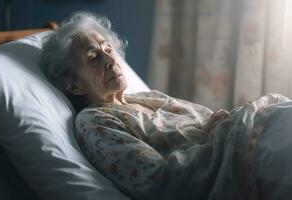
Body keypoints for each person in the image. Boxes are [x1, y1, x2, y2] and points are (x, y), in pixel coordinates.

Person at [41, 12, 292, 200]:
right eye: (93, 58)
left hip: (258, 129)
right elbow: (159, 181)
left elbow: (212, 120)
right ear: (74, 86)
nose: (110, 60)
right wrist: (211, 134)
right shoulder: (96, 122)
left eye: (109, 49)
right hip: (250, 156)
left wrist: (220, 126)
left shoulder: (148, 97)